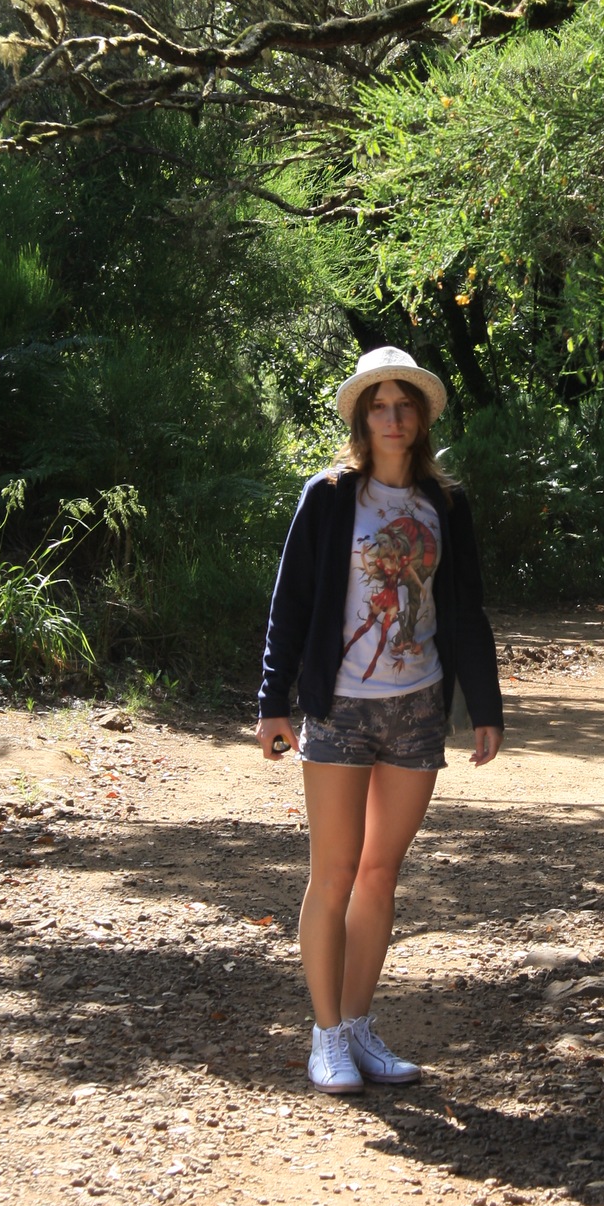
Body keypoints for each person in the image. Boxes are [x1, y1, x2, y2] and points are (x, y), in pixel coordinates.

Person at [257, 345, 504, 1094]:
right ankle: (326, 1034)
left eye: (404, 406)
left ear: (420, 418)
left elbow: (464, 608)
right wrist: (272, 701)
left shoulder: (445, 503)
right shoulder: (330, 496)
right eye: (378, 406)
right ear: (362, 420)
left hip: (418, 708)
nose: (392, 418)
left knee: (379, 873)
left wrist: (484, 706)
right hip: (339, 707)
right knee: (333, 873)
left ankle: (360, 1025)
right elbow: (291, 601)